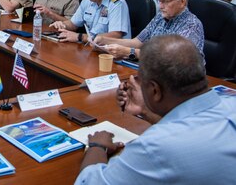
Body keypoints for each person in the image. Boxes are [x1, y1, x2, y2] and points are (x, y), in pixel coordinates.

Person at [76, 35, 236, 184]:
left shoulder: (154, 148)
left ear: (154, 90)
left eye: (140, 80)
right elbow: (190, 124)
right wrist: (146, 111)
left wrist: (97, 146)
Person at [94, 0, 204, 58]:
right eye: (159, 1)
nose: (160, 6)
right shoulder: (161, 16)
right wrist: (105, 41)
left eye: (165, 1)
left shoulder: (191, 25)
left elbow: (171, 58)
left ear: (182, 2)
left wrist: (131, 52)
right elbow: (138, 41)